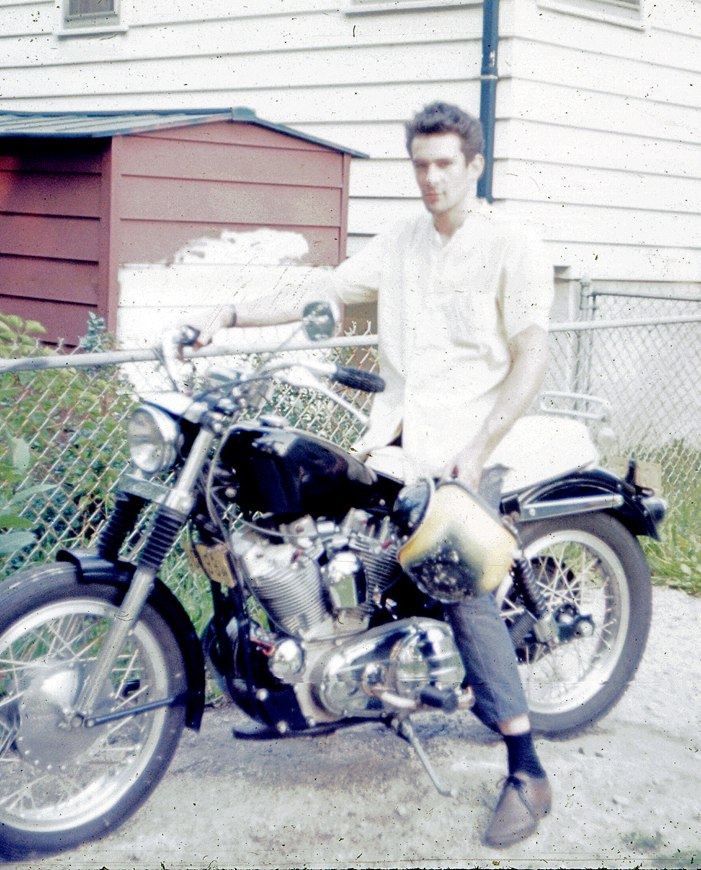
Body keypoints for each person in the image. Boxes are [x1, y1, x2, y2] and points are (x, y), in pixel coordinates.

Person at [183, 101, 553, 848]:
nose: (431, 178)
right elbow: (317, 292)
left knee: (463, 588)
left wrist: (480, 447)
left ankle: (526, 766)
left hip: (463, 449)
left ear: (474, 166)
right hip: (392, 441)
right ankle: (354, 671)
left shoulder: (512, 243)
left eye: (445, 163)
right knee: (327, 544)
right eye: (420, 164)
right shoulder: (403, 242)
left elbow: (532, 356)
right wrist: (222, 316)